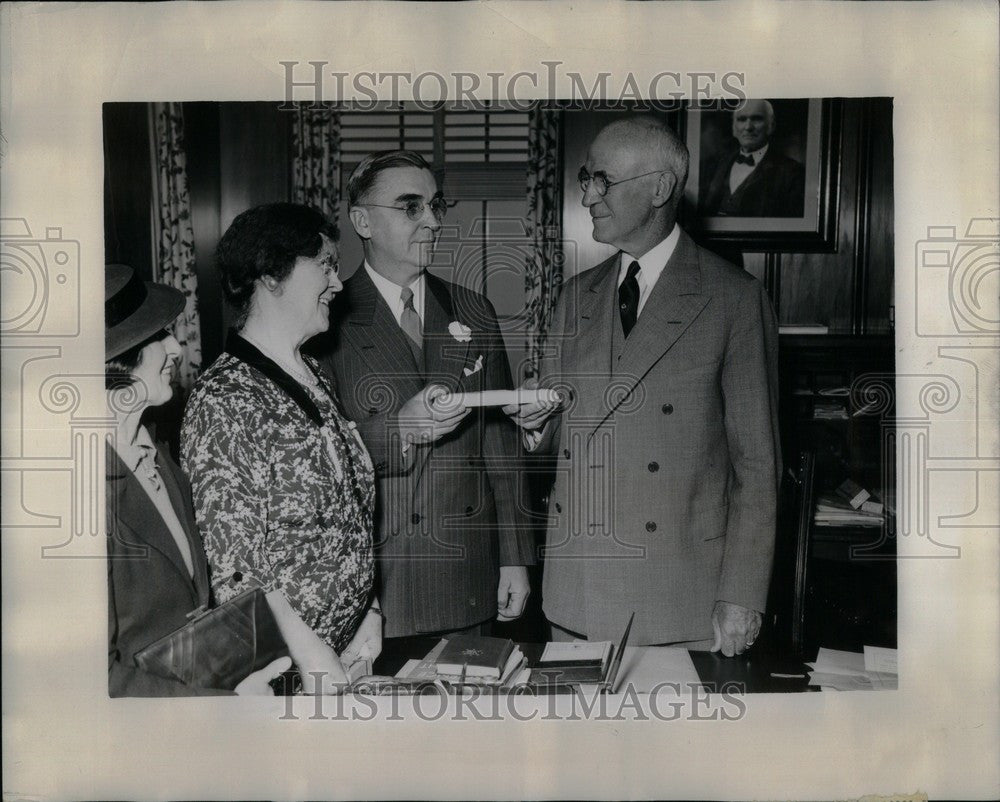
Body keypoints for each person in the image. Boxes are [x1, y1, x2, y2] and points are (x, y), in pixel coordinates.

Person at [506, 117, 781, 654]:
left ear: (658, 188)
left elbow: (757, 468)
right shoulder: (575, 296)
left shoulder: (733, 299)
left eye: (601, 179)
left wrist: (743, 594)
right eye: (585, 179)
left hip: (679, 595)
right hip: (577, 593)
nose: (586, 195)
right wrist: (536, 427)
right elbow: (558, 437)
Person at [311, 150, 535, 641]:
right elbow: (316, 459)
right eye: (411, 207)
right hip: (379, 580)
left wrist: (515, 557)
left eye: (436, 206)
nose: (432, 221)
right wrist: (400, 430)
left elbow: (500, 445)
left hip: (467, 573)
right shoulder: (327, 318)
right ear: (362, 221)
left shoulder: (473, 309)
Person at [181, 204, 378, 695]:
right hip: (282, 675)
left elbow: (349, 510)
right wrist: (312, 654)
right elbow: (235, 568)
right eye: (326, 265)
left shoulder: (314, 373)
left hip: (343, 656)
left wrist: (368, 611)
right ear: (271, 274)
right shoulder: (224, 398)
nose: (338, 283)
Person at [105, 263, 290, 696]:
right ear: (114, 361)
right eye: (156, 337)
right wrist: (223, 709)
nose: (175, 346)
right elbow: (97, 685)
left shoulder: (158, 457)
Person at [701, 99, 805, 217]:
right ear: (734, 128)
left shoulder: (792, 173)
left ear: (771, 126)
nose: (748, 127)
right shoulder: (713, 166)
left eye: (756, 119)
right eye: (741, 119)